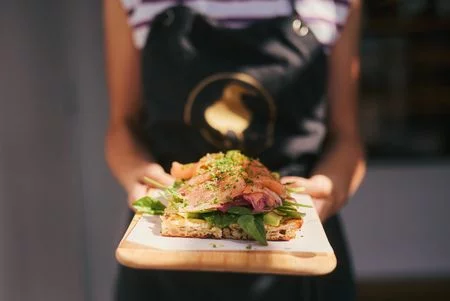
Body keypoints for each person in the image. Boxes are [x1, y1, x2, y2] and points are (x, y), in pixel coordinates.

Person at [103, 0, 366, 300]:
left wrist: (330, 188)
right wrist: (138, 174)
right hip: (165, 250)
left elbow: (346, 138)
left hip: (296, 251)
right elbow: (122, 127)